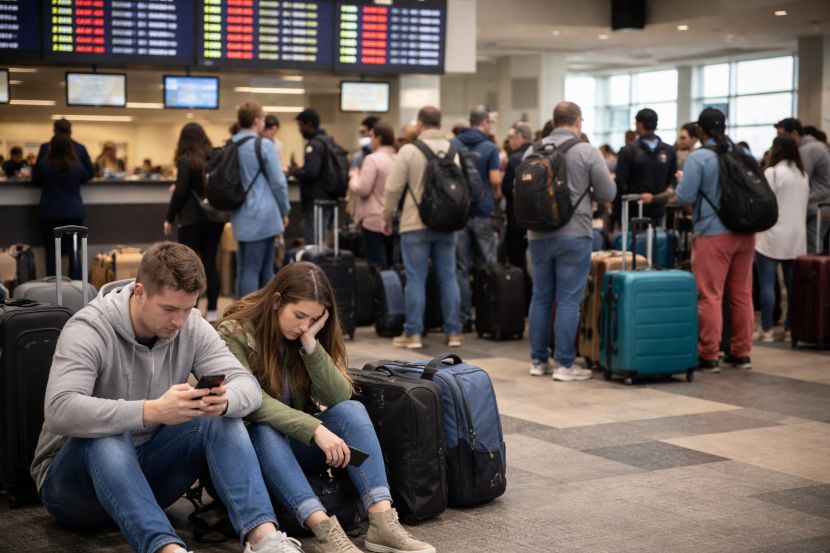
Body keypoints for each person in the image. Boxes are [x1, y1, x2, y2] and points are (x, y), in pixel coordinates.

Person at [31, 242, 306, 553]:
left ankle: (264, 539)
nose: (179, 321)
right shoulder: (88, 328)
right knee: (107, 436)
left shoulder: (191, 326)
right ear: (139, 292)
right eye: (169, 309)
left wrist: (224, 400)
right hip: (74, 492)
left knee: (218, 416)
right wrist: (151, 411)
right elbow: (60, 410)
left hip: (148, 478)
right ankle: (167, 549)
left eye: (188, 309)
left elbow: (248, 386)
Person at [217, 262, 435, 553]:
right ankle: (324, 531)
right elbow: (251, 402)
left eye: (314, 319)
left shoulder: (307, 335)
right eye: (298, 316)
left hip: (297, 445)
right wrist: (315, 428)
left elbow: (337, 396)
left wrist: (310, 345)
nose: (304, 325)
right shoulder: (234, 332)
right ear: (276, 301)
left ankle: (382, 520)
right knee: (265, 432)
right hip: (252, 452)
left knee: (352, 411)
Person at [524, 102, 616, 381]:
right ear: (578, 122)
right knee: (567, 299)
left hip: (537, 234)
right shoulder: (586, 151)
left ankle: (538, 361)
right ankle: (565, 364)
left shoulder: (532, 150)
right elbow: (607, 192)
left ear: (553, 121)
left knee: (541, 296)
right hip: (574, 234)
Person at [676, 108, 755, 372]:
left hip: (714, 233)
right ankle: (742, 352)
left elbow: (685, 197)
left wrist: (681, 181)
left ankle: (709, 354)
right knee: (742, 294)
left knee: (710, 295)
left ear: (701, 130)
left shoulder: (699, 158)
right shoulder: (741, 153)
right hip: (745, 233)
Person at [383, 106, 463, 349]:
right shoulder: (453, 150)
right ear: (440, 124)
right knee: (449, 277)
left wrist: (387, 216)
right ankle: (454, 332)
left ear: (419, 125)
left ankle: (413, 333)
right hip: (447, 224)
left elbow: (393, 188)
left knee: (415, 279)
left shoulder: (409, 150)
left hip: (415, 223)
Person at [163, 122, 226, 322]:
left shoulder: (186, 160)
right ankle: (214, 310)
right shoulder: (214, 157)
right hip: (215, 218)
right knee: (210, 263)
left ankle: (193, 310)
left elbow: (182, 191)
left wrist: (169, 217)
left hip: (191, 220)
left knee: (189, 267)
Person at [232, 102, 291, 298]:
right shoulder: (263, 145)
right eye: (263, 117)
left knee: (245, 267)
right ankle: (254, 318)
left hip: (240, 214)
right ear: (257, 119)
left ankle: (240, 315)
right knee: (260, 268)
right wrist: (284, 210)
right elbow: (278, 183)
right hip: (263, 213)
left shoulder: (231, 144)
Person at [450, 105, 502, 330]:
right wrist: (495, 196)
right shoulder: (490, 147)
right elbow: (495, 180)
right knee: (487, 264)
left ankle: (464, 317)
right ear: (485, 123)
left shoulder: (453, 144)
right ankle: (487, 315)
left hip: (459, 213)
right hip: (482, 211)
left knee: (461, 267)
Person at [754, 136, 809, 342]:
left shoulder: (772, 172)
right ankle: (790, 329)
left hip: (771, 234)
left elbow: (763, 203)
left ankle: (767, 330)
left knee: (767, 283)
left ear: (776, 149)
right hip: (796, 236)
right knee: (793, 285)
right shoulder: (803, 174)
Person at [32, 133, 90, 279]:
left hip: (50, 212)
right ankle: (77, 284)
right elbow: (86, 178)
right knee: (74, 250)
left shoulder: (44, 166)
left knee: (52, 251)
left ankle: (53, 283)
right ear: (71, 147)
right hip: (74, 212)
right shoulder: (77, 166)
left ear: (51, 147)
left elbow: (35, 180)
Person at [614, 108, 677, 229]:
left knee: (633, 246)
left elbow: (620, 183)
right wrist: (659, 198)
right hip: (658, 211)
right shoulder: (669, 151)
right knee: (656, 245)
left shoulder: (628, 151)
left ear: (638, 124)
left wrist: (617, 213)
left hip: (632, 212)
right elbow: (673, 182)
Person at [775, 118, 830, 253]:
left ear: (794, 133)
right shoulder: (816, 146)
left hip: (817, 206)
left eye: (782, 135)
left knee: (813, 250)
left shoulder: (808, 150)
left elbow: (799, 179)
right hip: (820, 204)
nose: (781, 141)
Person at [348, 122, 396, 270]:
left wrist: (354, 177)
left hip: (374, 218)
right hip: (394, 217)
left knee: (376, 266)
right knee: (390, 264)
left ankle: (379, 293)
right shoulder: (399, 158)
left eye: (372, 137)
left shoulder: (372, 159)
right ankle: (391, 292)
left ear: (379, 138)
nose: (370, 141)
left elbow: (363, 189)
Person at [288, 108, 335, 246]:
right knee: (319, 241)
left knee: (313, 244)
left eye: (301, 125)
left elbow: (311, 173)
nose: (300, 129)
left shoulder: (313, 145)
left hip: (315, 202)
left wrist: (294, 171)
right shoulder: (327, 141)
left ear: (309, 124)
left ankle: (314, 268)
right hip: (326, 199)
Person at [502, 121, 534, 276]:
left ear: (521, 137)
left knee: (518, 260)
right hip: (537, 219)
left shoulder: (515, 159)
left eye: (512, 137)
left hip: (516, 218)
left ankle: (522, 296)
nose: (510, 141)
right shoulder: (539, 155)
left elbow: (507, 189)